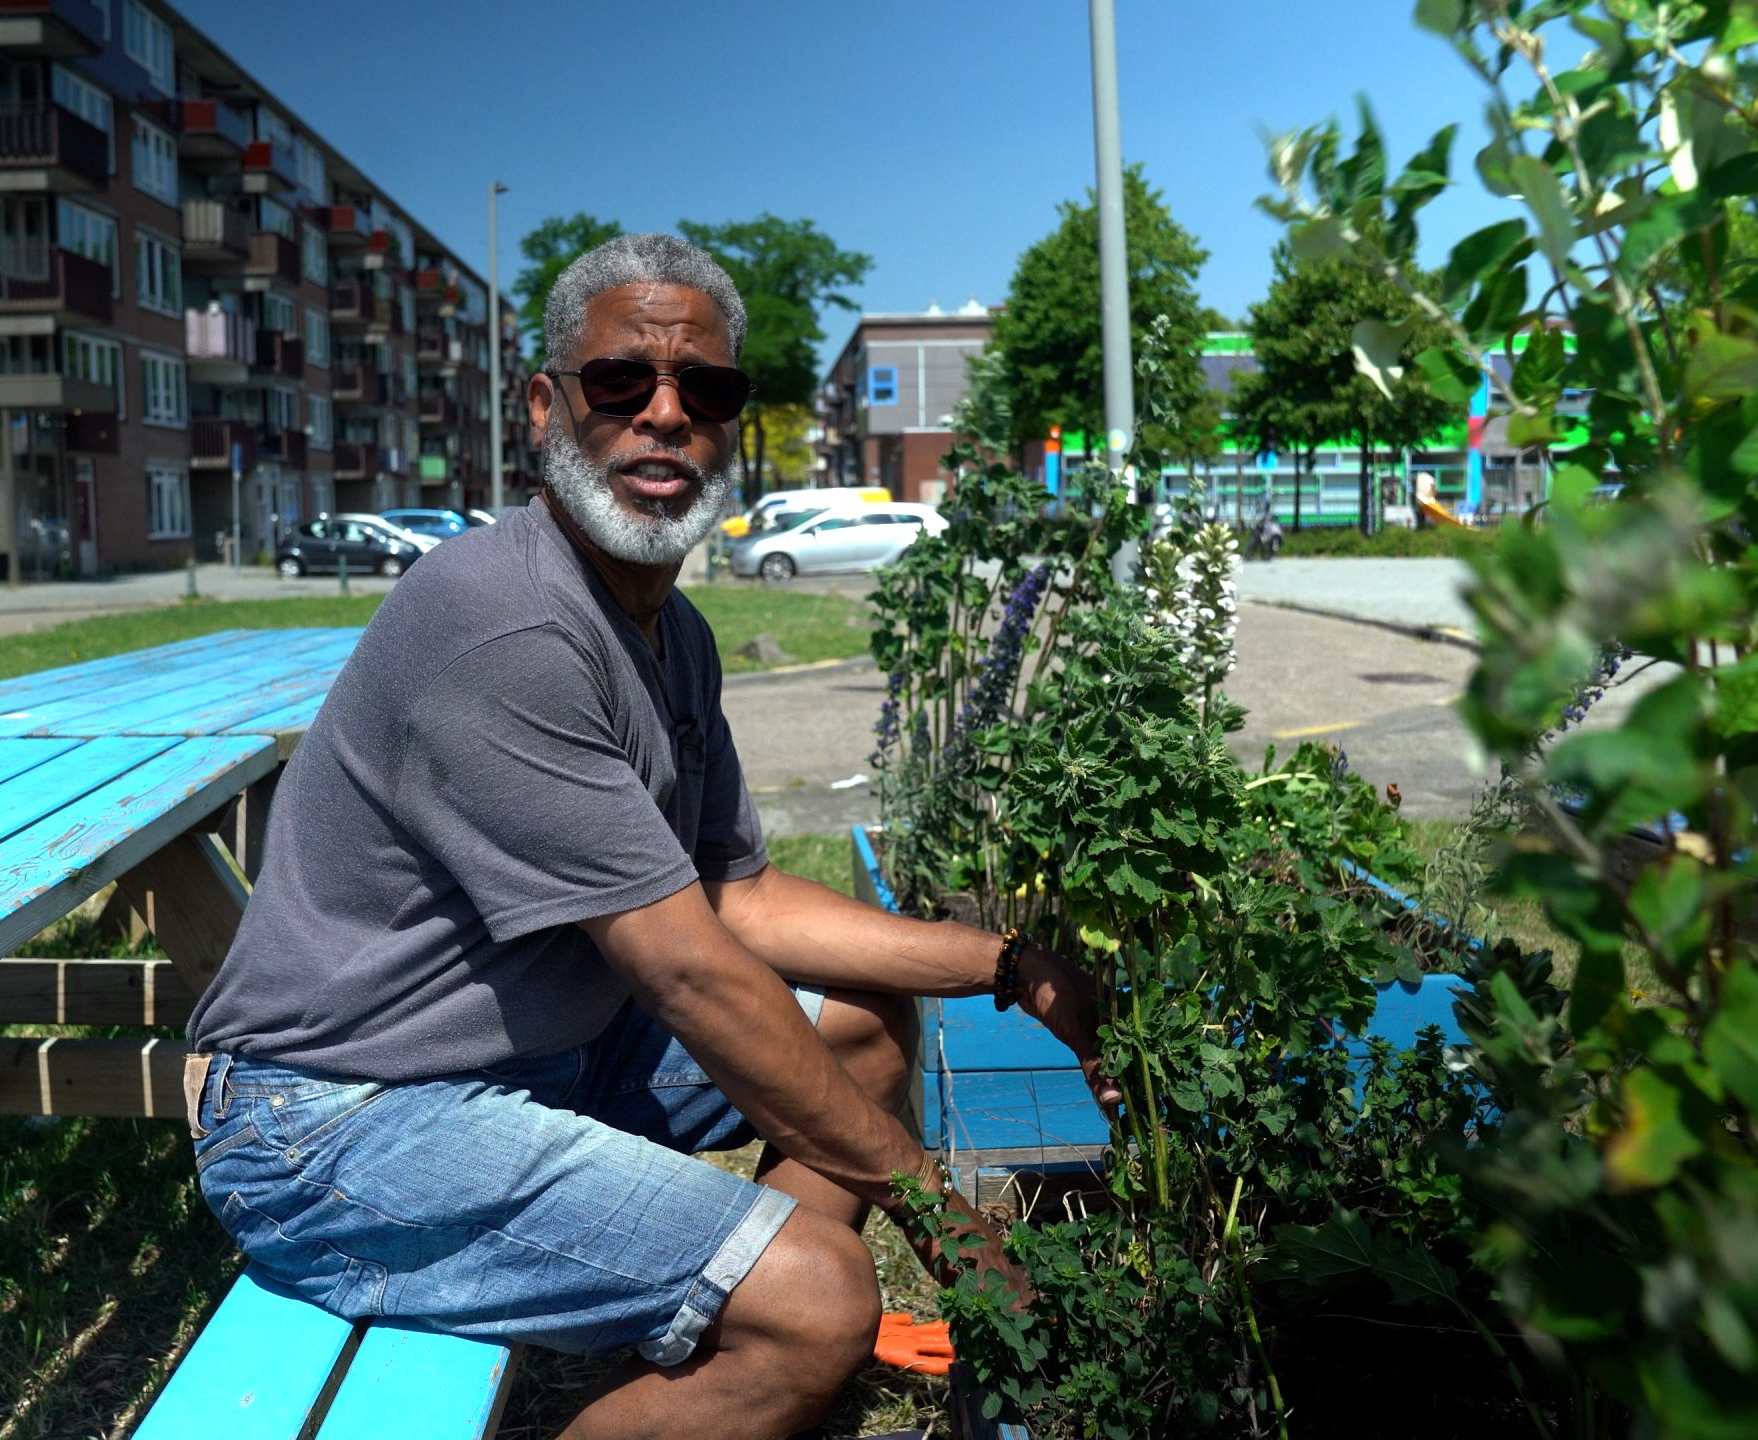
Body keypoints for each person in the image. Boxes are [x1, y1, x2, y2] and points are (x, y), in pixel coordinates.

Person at [179, 234, 1114, 1439]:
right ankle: (773, 1320)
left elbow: (738, 898)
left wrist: (1009, 966)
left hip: (538, 1060)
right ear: (545, 407)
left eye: (703, 390)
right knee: (822, 1303)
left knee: (861, 1027)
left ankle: (726, 1330)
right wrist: (944, 1218)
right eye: (621, 381)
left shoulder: (670, 630)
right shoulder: (505, 622)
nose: (664, 415)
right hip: (336, 1122)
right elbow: (687, 970)